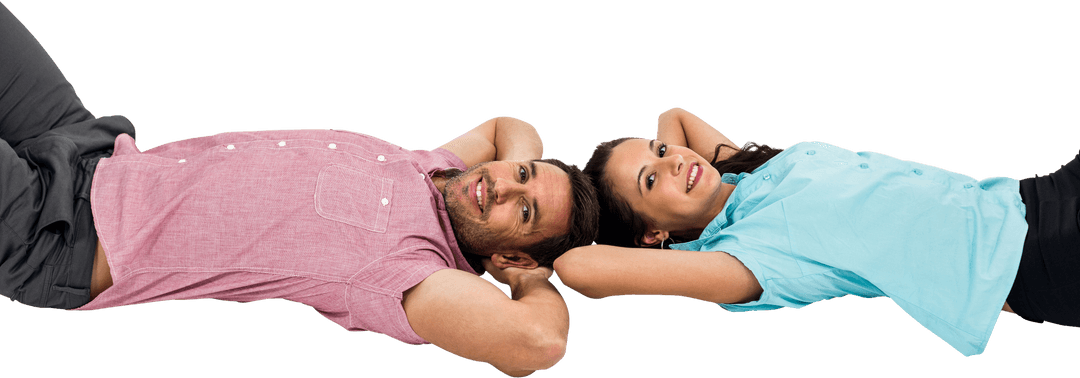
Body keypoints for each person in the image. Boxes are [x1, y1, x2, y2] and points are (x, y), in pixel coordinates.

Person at [0, 4, 598, 376]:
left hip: (55, 237)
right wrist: (527, 174)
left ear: (511, 253)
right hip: (88, 150)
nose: (500, 188)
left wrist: (533, 276)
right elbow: (507, 127)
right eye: (520, 177)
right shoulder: (429, 169)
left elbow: (535, 342)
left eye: (524, 213)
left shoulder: (415, 274)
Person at [554, 106, 1078, 357]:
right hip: (1034, 259)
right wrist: (576, 219)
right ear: (651, 238)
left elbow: (676, 116)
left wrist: (657, 168)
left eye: (660, 151)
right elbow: (581, 267)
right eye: (650, 180)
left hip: (1032, 194)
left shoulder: (749, 176)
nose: (673, 162)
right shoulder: (741, 260)